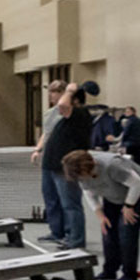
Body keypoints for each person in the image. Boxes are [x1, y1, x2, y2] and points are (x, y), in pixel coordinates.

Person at [63, 150, 140, 280]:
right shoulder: (80, 175)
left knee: (127, 231)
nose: (82, 179)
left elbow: (136, 183)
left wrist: (129, 206)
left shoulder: (112, 165)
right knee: (108, 230)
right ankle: (109, 271)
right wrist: (100, 215)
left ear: (88, 168)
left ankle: (129, 273)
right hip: (113, 196)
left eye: (83, 176)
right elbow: (89, 192)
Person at [32, 80, 89, 251]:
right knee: (52, 200)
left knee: (70, 204)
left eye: (56, 91)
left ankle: (75, 239)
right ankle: (57, 232)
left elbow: (63, 104)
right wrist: (39, 149)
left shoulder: (80, 114)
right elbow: (47, 133)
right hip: (50, 164)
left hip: (66, 166)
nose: (51, 95)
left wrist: (71, 90)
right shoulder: (59, 116)